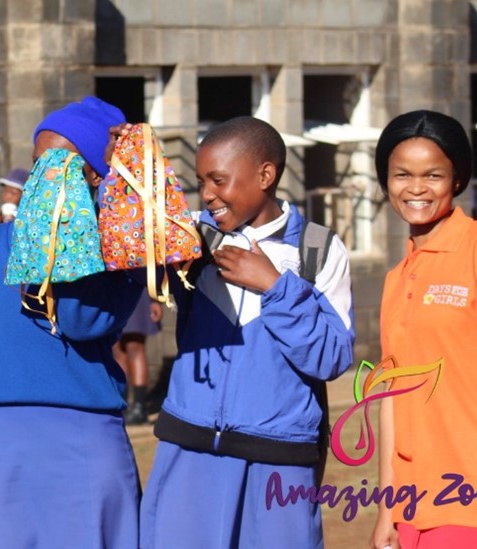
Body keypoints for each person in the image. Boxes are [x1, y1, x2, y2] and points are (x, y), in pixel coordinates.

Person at [0, 96, 143, 547]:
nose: (44, 177)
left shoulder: (119, 250)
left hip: (83, 439)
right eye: (37, 163)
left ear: (97, 175)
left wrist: (70, 241)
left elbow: (80, 320)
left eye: (61, 164)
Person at [139, 116, 354, 548]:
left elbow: (331, 357)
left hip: (280, 462)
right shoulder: (190, 236)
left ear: (265, 175)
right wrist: (123, 169)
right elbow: (123, 234)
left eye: (219, 180)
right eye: (202, 182)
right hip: (189, 450)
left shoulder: (318, 249)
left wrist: (275, 287)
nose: (208, 194)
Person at [369, 110, 477, 549]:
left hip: (476, 498)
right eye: (402, 174)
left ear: (457, 179)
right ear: (386, 180)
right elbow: (392, 396)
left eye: (433, 175)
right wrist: (387, 508)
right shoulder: (396, 278)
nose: (416, 188)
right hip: (412, 504)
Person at [113, 290, 163, 425]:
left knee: (134, 346)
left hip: (137, 290)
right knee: (117, 349)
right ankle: (122, 404)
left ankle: (139, 407)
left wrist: (155, 300)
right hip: (113, 291)